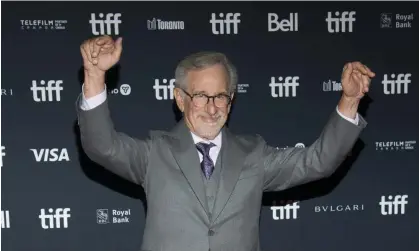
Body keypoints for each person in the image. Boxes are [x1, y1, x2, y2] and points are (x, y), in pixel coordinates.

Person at [77, 35, 375, 251]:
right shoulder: (155, 152)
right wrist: (94, 75)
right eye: (200, 96)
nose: (211, 107)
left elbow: (318, 162)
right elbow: (101, 146)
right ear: (180, 99)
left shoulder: (253, 153)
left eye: (220, 96)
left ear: (231, 102)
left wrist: (349, 100)